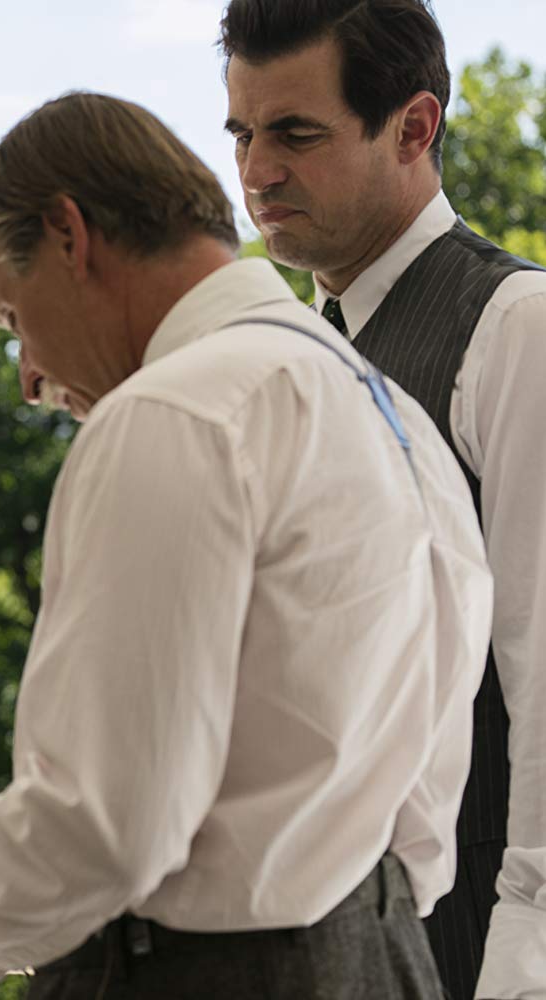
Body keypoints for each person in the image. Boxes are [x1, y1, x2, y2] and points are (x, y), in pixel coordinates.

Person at [0, 92, 493, 999]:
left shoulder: (174, 414)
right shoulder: (390, 414)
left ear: (67, 236)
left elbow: (104, 828)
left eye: (13, 320)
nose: (29, 379)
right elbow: (414, 811)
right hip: (384, 957)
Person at [220, 3, 546, 995]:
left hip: (475, 940)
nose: (255, 172)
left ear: (412, 127)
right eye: (240, 133)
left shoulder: (517, 328)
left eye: (294, 134)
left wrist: (523, 956)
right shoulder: (293, 350)